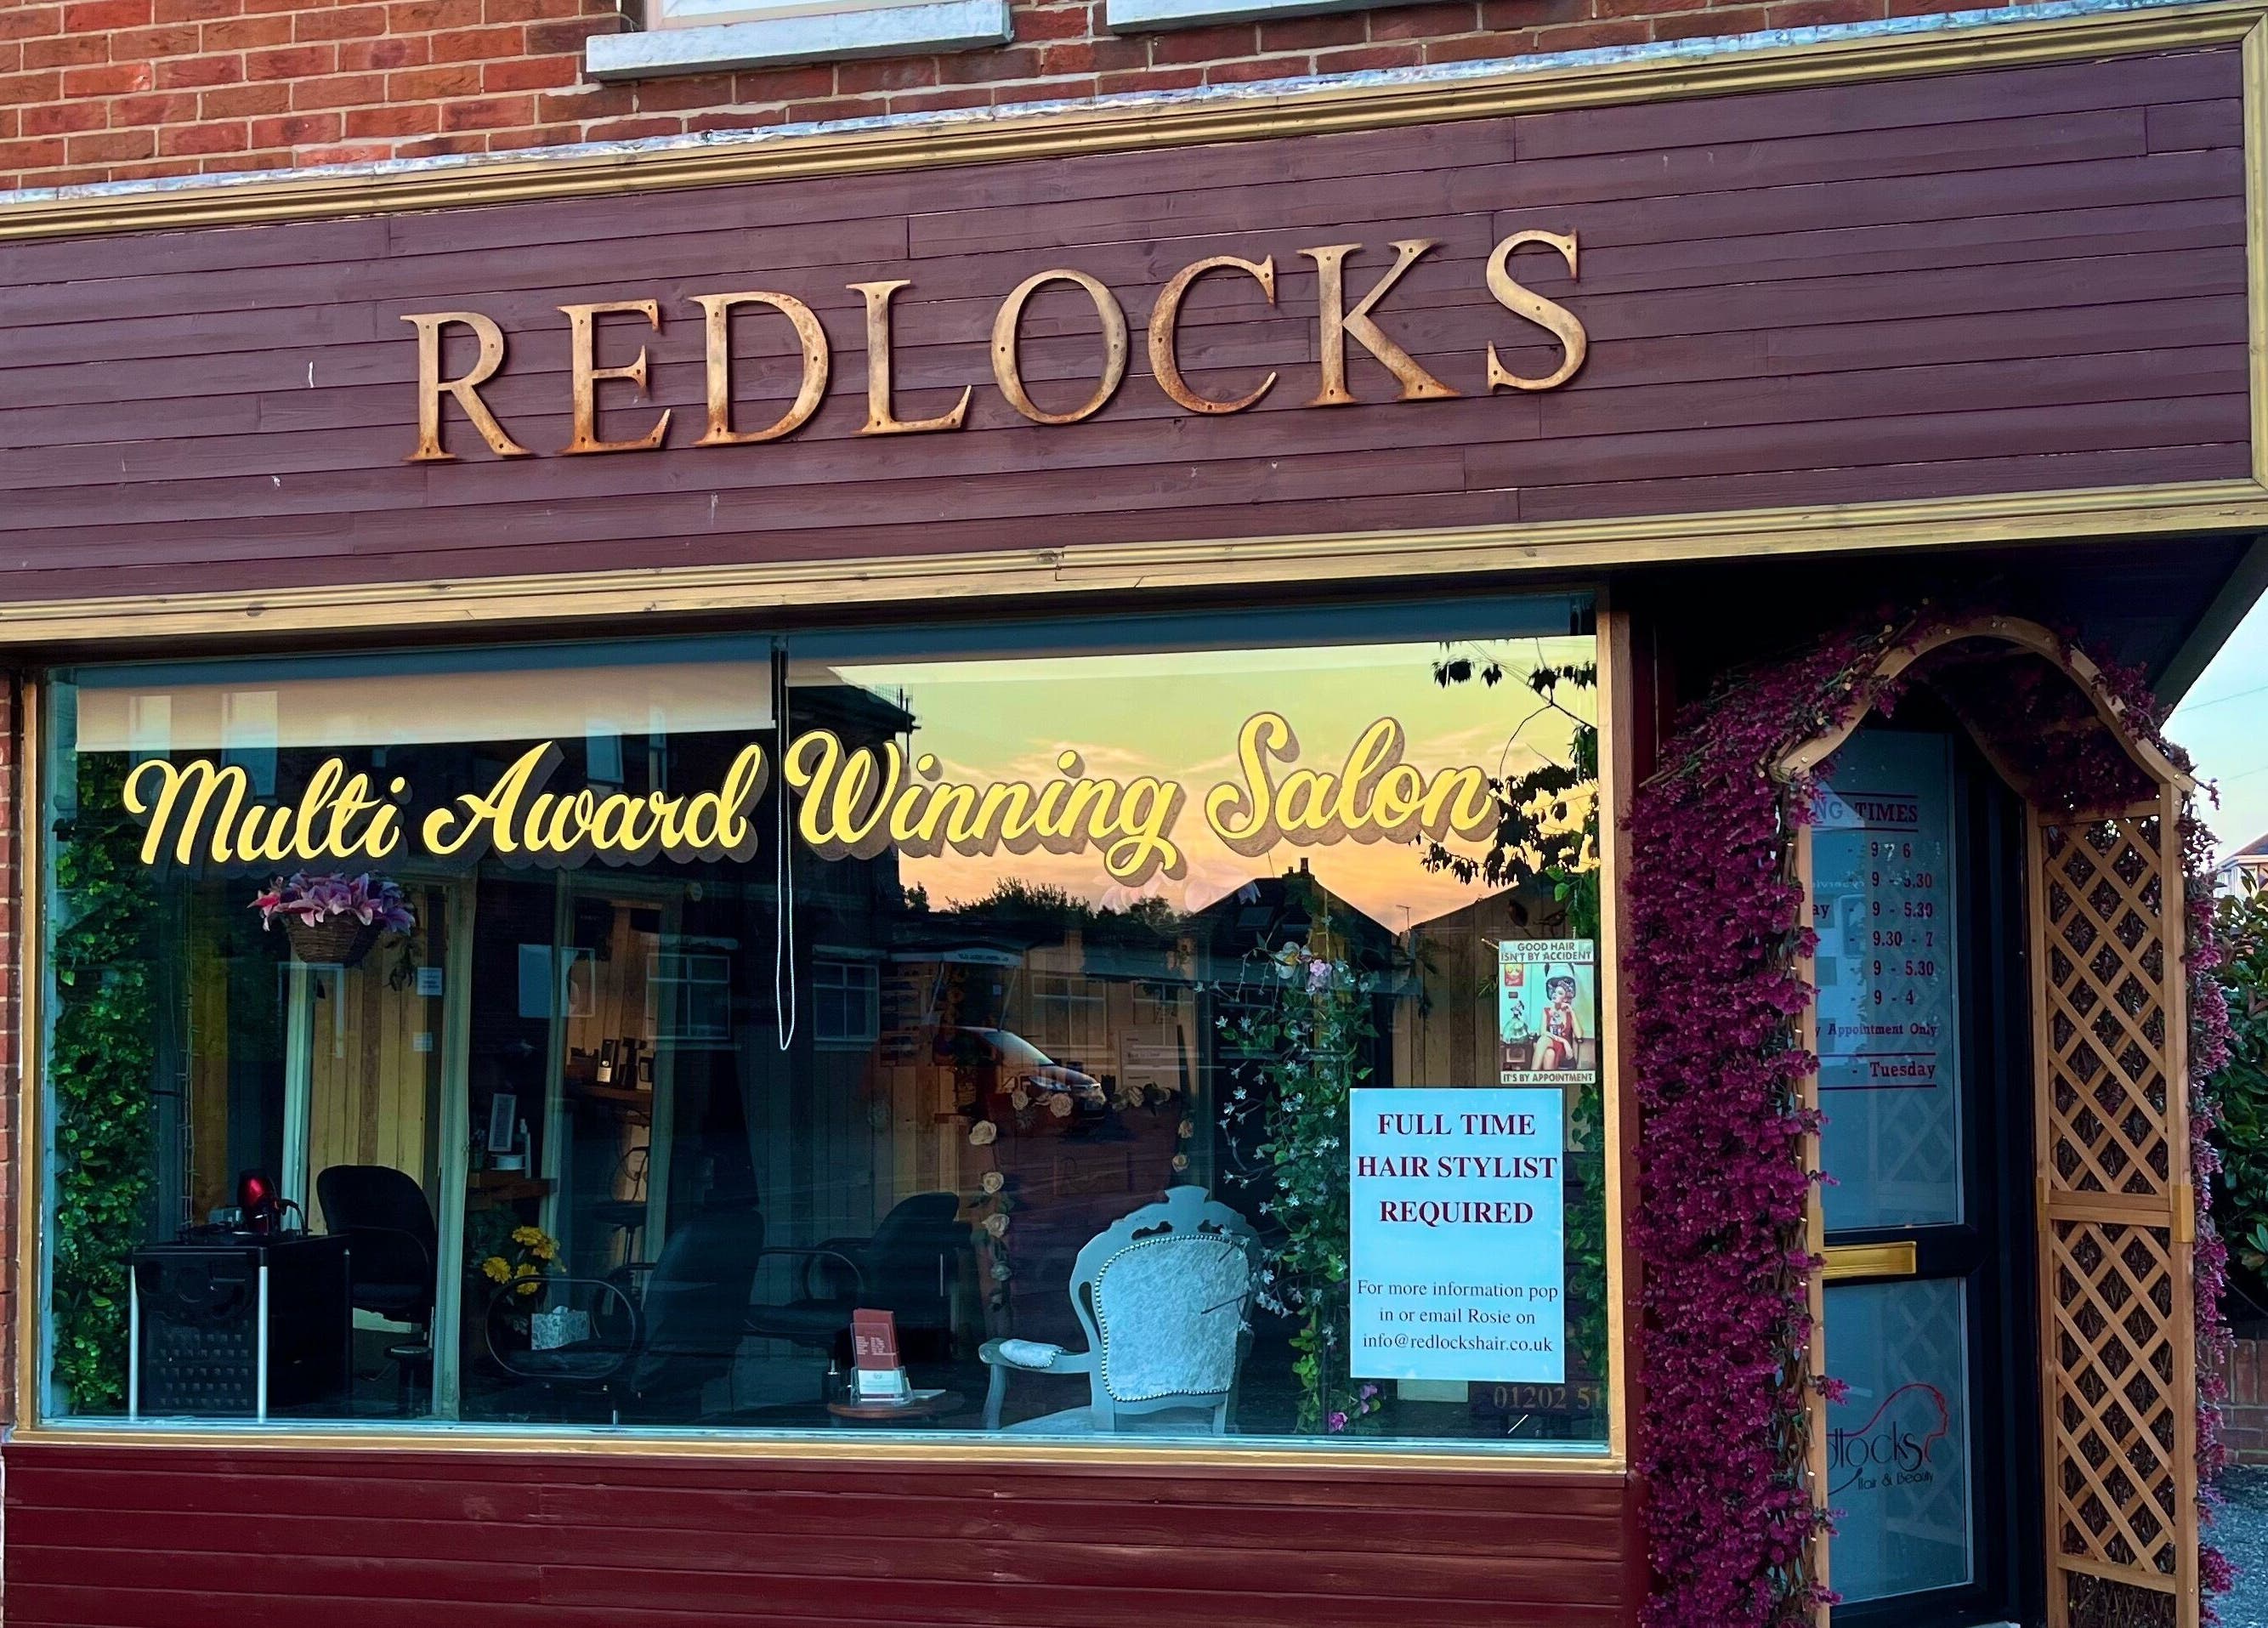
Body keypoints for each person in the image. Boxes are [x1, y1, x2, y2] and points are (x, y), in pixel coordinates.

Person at [1530, 973, 1583, 1072]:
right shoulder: (1546, 1011)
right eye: (1555, 991)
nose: (1555, 994)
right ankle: (1547, 1084)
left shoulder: (1569, 1014)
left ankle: (1532, 1076)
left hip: (1563, 1050)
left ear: (1565, 998)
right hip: (1553, 1045)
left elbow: (1579, 1035)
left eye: (1560, 993)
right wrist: (1564, 1041)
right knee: (1549, 1053)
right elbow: (1542, 1032)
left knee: (1543, 1040)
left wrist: (1571, 1011)